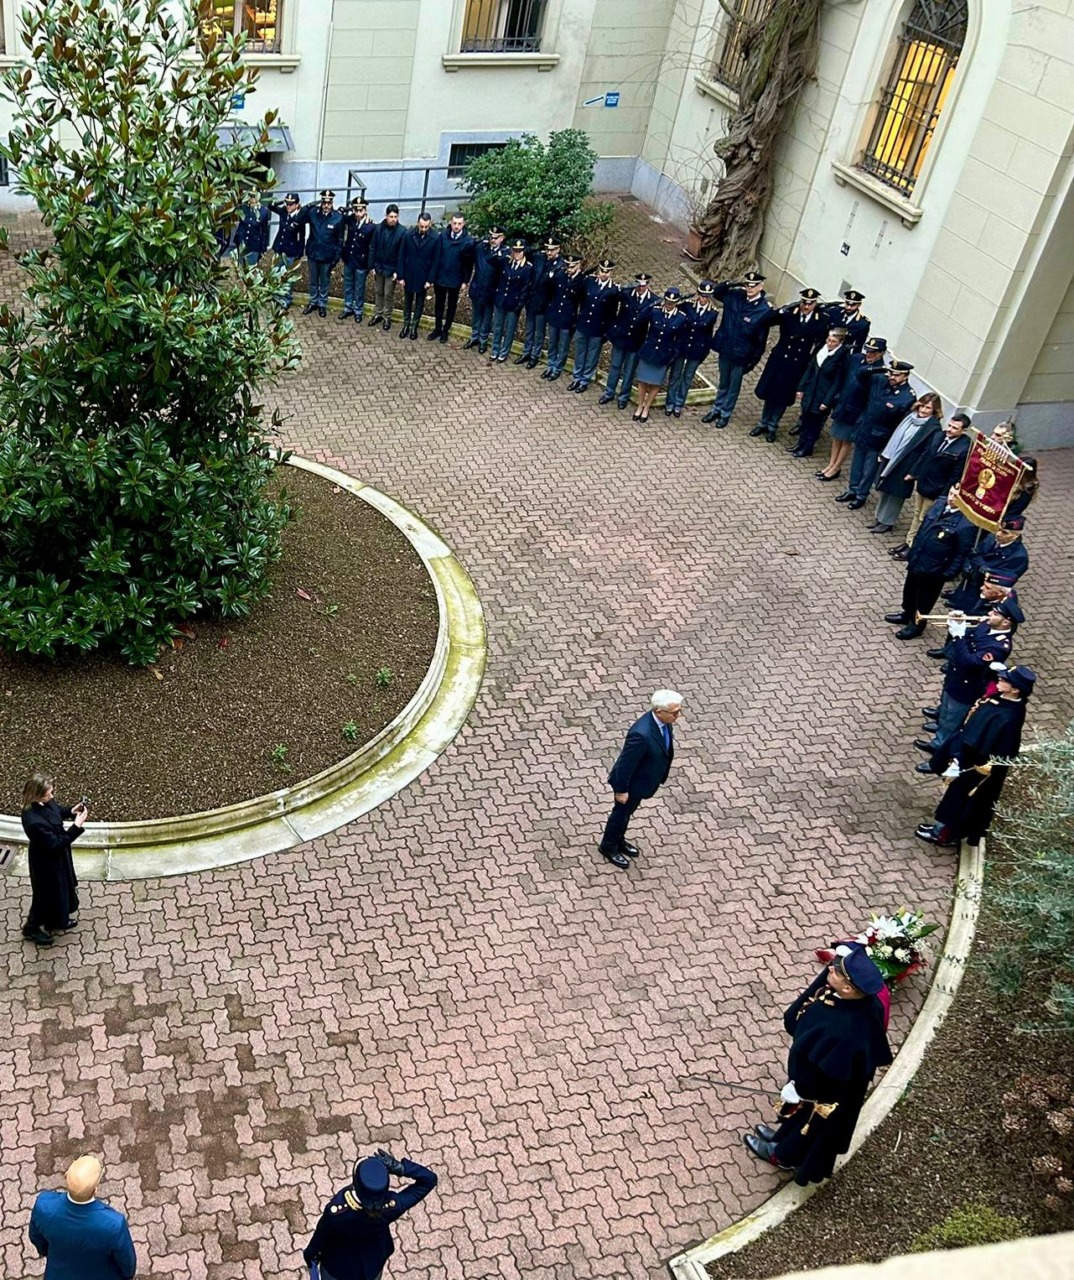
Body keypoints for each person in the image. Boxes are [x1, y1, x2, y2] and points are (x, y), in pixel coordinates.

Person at [743, 943, 892, 1185]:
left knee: (808, 1128)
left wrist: (800, 1090)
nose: (829, 970)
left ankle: (781, 1156)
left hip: (822, 1098)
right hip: (815, 1088)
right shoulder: (857, 999)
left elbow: (828, 1076)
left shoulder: (845, 1031)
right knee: (797, 1120)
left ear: (847, 987)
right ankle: (779, 1139)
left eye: (836, 970)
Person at [916, 666, 1036, 849]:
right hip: (967, 758)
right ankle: (941, 828)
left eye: (1005, 680)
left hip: (977, 768)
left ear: (1015, 689)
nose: (999, 681)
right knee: (953, 797)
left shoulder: (1008, 716)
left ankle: (943, 835)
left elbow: (994, 747)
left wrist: (963, 761)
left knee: (959, 802)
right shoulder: (1002, 699)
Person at [914, 599, 1021, 772]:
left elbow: (970, 661)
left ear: (1006, 621)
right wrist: (959, 621)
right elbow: (971, 638)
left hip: (968, 685)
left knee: (953, 721)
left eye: (995, 613)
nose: (990, 614)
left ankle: (939, 753)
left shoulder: (998, 647)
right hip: (957, 676)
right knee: (946, 707)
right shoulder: (988, 625)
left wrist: (958, 635)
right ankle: (939, 733)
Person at [303, 1148, 437, 1280]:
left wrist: (310, 1257)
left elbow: (316, 1245)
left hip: (339, 1271)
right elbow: (429, 1180)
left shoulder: (336, 1214)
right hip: (372, 1267)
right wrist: (401, 1168)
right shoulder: (391, 1208)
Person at [599, 690, 682, 870]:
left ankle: (619, 840)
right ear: (660, 711)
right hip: (631, 785)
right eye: (675, 713)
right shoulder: (641, 735)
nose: (678, 715)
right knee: (620, 815)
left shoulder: (663, 722)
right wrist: (621, 790)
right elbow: (624, 765)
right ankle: (608, 846)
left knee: (626, 814)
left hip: (643, 782)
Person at [884, 486, 976, 639]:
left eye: (957, 496)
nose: (952, 498)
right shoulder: (940, 504)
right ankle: (907, 613)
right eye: (951, 493)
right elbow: (924, 528)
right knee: (910, 590)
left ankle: (917, 625)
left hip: (936, 568)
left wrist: (949, 572)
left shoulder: (966, 524)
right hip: (919, 557)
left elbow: (962, 552)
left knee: (925, 598)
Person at [29, 1154, 136, 1280]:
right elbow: (127, 1263)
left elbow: (36, 1238)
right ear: (95, 1190)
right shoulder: (114, 1224)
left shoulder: (44, 1206)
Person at [889, 412, 972, 560]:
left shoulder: (964, 448)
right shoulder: (939, 436)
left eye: (955, 428)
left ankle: (915, 547)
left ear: (963, 430)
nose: (950, 429)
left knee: (924, 519)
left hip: (937, 489)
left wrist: (944, 495)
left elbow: (956, 475)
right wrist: (914, 473)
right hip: (924, 483)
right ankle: (909, 542)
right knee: (917, 514)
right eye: (950, 425)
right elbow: (925, 455)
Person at [750, 287, 828, 443]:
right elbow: (766, 321)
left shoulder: (820, 320)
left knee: (783, 395)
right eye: (804, 303)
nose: (806, 307)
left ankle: (773, 425)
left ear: (815, 304)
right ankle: (763, 422)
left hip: (797, 362)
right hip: (780, 358)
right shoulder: (789, 314)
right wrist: (781, 310)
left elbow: (821, 342)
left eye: (810, 304)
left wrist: (810, 360)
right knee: (771, 392)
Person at [836, 359, 916, 510]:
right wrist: (878, 368)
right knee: (856, 465)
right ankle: (852, 490)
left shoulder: (907, 397)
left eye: (897, 375)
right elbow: (860, 375)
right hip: (863, 430)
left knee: (869, 470)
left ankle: (861, 495)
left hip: (879, 437)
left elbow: (900, 424)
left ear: (905, 376)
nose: (892, 377)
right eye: (891, 373)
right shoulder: (879, 381)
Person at [21, 772, 87, 948]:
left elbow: (56, 811)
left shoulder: (44, 801)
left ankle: (57, 919)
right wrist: (77, 826)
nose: (52, 796)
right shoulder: (33, 821)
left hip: (57, 857)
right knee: (45, 895)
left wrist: (71, 811)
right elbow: (56, 843)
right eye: (48, 793)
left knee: (60, 889)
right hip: (46, 863)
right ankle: (31, 927)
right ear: (36, 795)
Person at [702, 271, 772, 428]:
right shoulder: (735, 296)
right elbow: (718, 292)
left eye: (753, 286)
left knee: (733, 387)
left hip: (742, 354)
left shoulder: (763, 309)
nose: (749, 288)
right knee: (723, 382)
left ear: (761, 287)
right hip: (726, 347)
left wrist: (753, 361)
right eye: (747, 285)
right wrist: (730, 283)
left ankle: (725, 413)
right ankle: (716, 409)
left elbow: (761, 340)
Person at [815, 335, 887, 482]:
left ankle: (836, 467)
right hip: (843, 404)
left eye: (874, 352)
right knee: (837, 436)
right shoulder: (856, 359)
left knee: (846, 440)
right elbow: (843, 377)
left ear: (881, 353)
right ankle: (831, 464)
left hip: (857, 410)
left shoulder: (880, 371)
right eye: (868, 350)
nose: (869, 354)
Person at [870, 392, 943, 533]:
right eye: (922, 406)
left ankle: (887, 522)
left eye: (928, 408)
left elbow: (926, 454)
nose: (923, 410)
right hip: (892, 458)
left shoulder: (934, 428)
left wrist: (913, 472)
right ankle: (879, 518)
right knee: (885, 489)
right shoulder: (910, 417)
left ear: (934, 410)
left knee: (896, 494)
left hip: (907, 465)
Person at [789, 326, 851, 457]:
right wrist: (801, 387)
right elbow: (810, 369)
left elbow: (837, 382)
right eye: (829, 340)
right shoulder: (821, 351)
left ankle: (808, 447)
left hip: (823, 394)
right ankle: (800, 443)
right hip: (811, 390)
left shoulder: (841, 357)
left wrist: (827, 401)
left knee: (814, 423)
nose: (830, 343)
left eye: (834, 341)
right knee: (805, 418)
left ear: (840, 342)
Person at [666, 280, 720, 417]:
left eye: (707, 296)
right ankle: (670, 402)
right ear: (698, 294)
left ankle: (679, 403)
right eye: (702, 295)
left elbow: (709, 333)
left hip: (697, 349)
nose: (704, 299)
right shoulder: (687, 306)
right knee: (675, 375)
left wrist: (705, 351)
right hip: (682, 346)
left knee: (688, 377)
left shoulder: (713, 313)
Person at [600, 272, 654, 408]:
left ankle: (623, 396)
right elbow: (606, 297)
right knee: (615, 366)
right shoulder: (627, 294)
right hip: (621, 337)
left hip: (636, 341)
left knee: (629, 370)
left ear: (648, 285)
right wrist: (621, 288)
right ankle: (609, 392)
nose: (640, 288)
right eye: (638, 285)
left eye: (643, 286)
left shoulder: (653, 300)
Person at [633, 287, 687, 423]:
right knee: (642, 381)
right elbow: (640, 319)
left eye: (672, 303)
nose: (669, 305)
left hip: (663, 354)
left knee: (656, 383)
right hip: (648, 351)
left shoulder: (681, 318)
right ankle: (640, 405)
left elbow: (680, 340)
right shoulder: (655, 311)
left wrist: (672, 355)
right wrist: (651, 304)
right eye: (667, 301)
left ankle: (647, 407)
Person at [568, 257, 619, 392]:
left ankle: (585, 380)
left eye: (607, 272)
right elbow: (576, 294)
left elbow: (612, 314)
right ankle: (576, 377)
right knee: (580, 353)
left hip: (598, 328)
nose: (603, 274)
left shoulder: (613, 290)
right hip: (583, 324)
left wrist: (606, 332)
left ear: (611, 273)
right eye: (602, 270)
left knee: (591, 357)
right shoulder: (589, 282)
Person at [429, 212, 474, 344]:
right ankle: (437, 327)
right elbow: (436, 257)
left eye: (459, 224)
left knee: (451, 305)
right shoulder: (442, 236)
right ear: (450, 223)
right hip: (441, 277)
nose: (456, 226)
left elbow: (468, 263)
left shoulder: (468, 241)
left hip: (456, 279)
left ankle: (445, 330)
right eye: (454, 223)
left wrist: (465, 281)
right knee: (439, 304)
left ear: (463, 224)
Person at [397, 212, 441, 341]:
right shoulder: (408, 234)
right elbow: (401, 255)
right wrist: (401, 276)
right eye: (421, 226)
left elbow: (435, 260)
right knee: (407, 302)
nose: (423, 229)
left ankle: (414, 326)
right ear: (418, 223)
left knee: (419, 303)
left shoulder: (435, 238)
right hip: (409, 273)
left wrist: (430, 279)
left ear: (430, 224)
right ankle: (406, 325)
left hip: (423, 275)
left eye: (426, 227)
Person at [300, 190, 344, 318]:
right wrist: (307, 206)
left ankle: (322, 304)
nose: (326, 205)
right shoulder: (313, 213)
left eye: (329, 203)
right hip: (313, 252)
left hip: (327, 255)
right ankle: (313, 302)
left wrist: (336, 258)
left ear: (332, 203)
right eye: (324, 202)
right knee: (313, 280)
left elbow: (340, 240)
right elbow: (300, 218)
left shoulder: (338, 217)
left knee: (324, 281)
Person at [517, 236, 560, 366]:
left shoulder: (560, 265)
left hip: (544, 304)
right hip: (532, 301)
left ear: (558, 249)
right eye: (547, 249)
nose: (549, 252)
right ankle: (526, 352)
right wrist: (539, 246)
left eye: (552, 250)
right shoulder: (539, 257)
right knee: (529, 329)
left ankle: (535, 356)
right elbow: (527, 251)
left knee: (539, 333)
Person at [489, 239, 534, 364]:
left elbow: (525, 289)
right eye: (515, 251)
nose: (517, 254)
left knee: (509, 330)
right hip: (501, 300)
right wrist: (501, 253)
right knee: (497, 327)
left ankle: (504, 352)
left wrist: (519, 305)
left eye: (520, 251)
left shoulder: (527, 268)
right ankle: (495, 350)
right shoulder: (505, 261)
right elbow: (491, 261)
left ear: (524, 252)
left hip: (513, 303)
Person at [542, 254, 585, 380]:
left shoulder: (581, 281)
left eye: (572, 267)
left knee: (563, 346)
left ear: (578, 266)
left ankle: (558, 368)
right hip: (555, 314)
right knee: (552, 342)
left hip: (568, 317)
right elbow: (549, 289)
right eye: (568, 266)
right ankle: (550, 365)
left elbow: (581, 302)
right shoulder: (560, 275)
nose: (570, 269)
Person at [463, 225, 505, 354]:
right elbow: (465, 251)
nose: (493, 240)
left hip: (491, 290)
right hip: (478, 287)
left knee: (487, 317)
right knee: (476, 314)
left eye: (496, 238)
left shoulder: (504, 253)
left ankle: (483, 340)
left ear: (502, 238)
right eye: (491, 237)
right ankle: (474, 336)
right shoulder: (481, 247)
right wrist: (476, 241)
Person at [369, 204, 407, 331]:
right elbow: (373, 247)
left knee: (388, 294)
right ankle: (378, 313)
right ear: (386, 216)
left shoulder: (402, 232)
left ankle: (387, 317)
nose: (393, 219)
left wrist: (398, 271)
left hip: (391, 269)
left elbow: (402, 254)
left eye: (395, 217)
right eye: (391, 216)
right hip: (379, 266)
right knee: (378, 291)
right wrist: (372, 265)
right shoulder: (378, 228)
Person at [339, 199, 375, 323]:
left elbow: (371, 247)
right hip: (349, 259)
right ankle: (348, 307)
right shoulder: (350, 220)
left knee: (359, 288)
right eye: (356, 210)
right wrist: (349, 210)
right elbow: (341, 214)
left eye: (361, 210)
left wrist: (370, 264)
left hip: (361, 262)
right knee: (348, 285)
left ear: (365, 211)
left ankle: (358, 310)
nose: (358, 213)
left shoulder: (370, 226)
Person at [270, 191, 307, 309]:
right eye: (287, 203)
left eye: (291, 204)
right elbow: (271, 206)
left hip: (291, 251)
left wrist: (299, 254)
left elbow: (302, 237)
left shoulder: (300, 218)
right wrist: (282, 201)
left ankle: (286, 298)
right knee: (276, 273)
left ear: (297, 205)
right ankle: (276, 296)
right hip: (280, 248)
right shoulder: (283, 212)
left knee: (288, 277)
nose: (288, 206)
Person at [822, 288, 871, 352]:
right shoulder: (835, 311)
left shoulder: (862, 324)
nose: (849, 307)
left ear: (859, 305)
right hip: (824, 347)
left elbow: (858, 346)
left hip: (841, 354)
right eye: (847, 304)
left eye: (853, 305)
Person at [234, 191, 271, 266]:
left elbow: (264, 231)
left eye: (254, 196)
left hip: (254, 244)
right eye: (251, 196)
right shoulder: (243, 208)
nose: (252, 199)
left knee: (251, 269)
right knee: (240, 269)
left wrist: (263, 249)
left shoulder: (263, 211)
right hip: (242, 243)